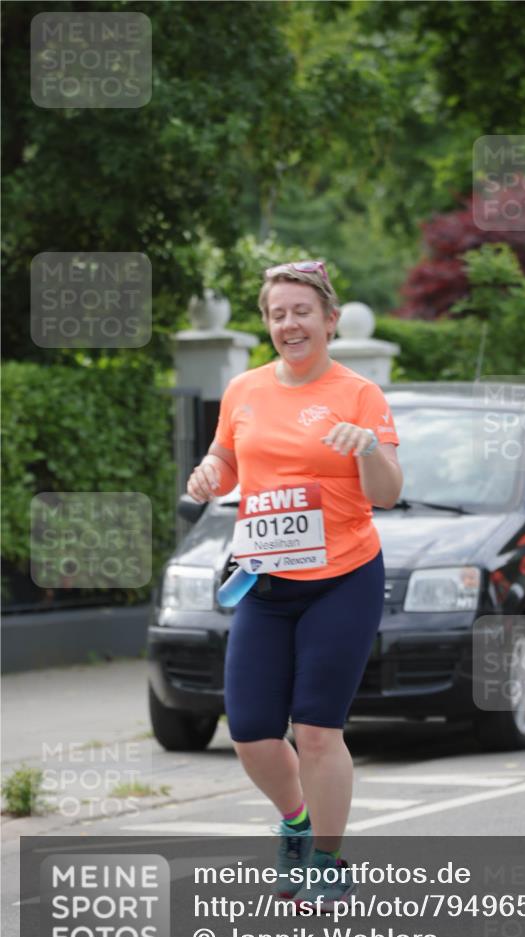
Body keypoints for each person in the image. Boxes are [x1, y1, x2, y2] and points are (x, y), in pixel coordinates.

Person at [187, 260, 402, 904]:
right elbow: (226, 459)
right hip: (265, 579)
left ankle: (328, 861)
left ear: (330, 321)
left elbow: (388, 493)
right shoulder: (244, 389)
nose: (290, 324)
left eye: (302, 312)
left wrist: (368, 448)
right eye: (277, 314)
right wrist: (208, 472)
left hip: (344, 576)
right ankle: (296, 822)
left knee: (316, 730)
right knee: (251, 733)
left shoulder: (360, 395)